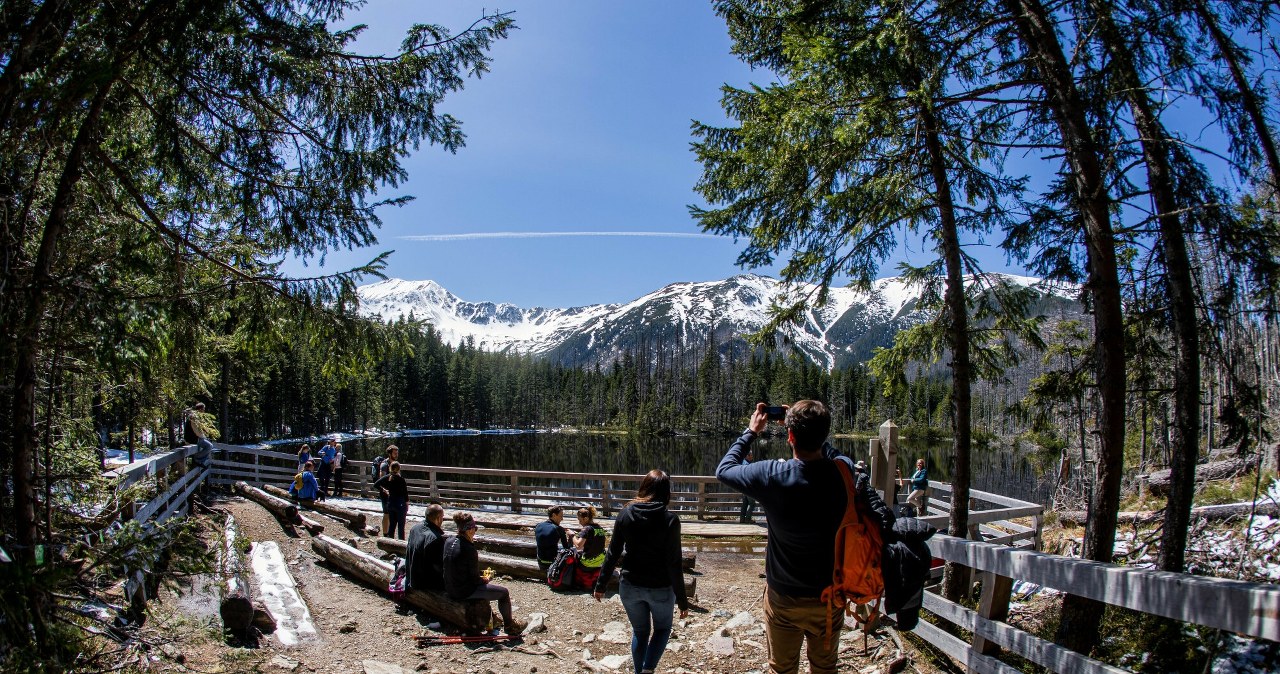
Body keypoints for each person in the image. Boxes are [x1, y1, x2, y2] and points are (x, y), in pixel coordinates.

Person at [716, 401, 894, 674]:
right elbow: (836, 456)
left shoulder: (772, 475)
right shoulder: (843, 472)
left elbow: (725, 469)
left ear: (790, 436)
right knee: (825, 668)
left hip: (783, 596)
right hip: (829, 596)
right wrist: (810, 431)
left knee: (782, 669)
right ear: (824, 435)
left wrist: (751, 432)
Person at [592, 470, 690, 674]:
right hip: (660, 587)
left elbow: (613, 553)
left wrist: (601, 585)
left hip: (630, 585)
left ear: (644, 487)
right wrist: (682, 600)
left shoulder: (626, 513)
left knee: (640, 632)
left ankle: (640, 672)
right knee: (662, 629)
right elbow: (674, 563)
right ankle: (648, 670)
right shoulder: (670, 520)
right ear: (666, 492)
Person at [444, 512, 527, 635]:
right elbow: (475, 580)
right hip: (462, 591)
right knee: (504, 593)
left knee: (487, 588)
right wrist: (484, 580)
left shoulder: (449, 541)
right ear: (469, 530)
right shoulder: (469, 549)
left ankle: (493, 619)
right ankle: (510, 626)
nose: (475, 531)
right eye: (475, 528)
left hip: (449, 587)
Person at [405, 503, 447, 591]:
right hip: (423, 583)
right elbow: (438, 566)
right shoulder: (435, 538)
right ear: (438, 518)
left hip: (411, 575)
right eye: (442, 517)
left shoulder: (415, 528)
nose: (443, 520)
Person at [573, 506, 608, 590]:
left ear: (585, 518)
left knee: (571, 553)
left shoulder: (587, 528)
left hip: (587, 564)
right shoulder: (599, 528)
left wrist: (572, 536)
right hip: (600, 562)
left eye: (580, 520)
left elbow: (578, 546)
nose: (579, 522)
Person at [374, 460, 409, 539]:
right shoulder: (401, 479)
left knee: (392, 526)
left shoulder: (388, 477)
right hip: (400, 504)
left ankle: (390, 542)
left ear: (390, 468)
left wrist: (384, 490)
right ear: (399, 469)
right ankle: (401, 542)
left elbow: (376, 484)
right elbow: (405, 493)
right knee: (401, 526)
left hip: (391, 503)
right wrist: (407, 504)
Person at [534, 505, 569, 572]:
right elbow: (566, 548)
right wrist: (571, 537)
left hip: (540, 561)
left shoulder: (538, 525)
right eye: (561, 516)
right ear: (554, 515)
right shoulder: (559, 529)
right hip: (552, 563)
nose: (562, 519)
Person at [374, 445, 400, 534]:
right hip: (385, 493)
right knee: (386, 513)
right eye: (395, 453)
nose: (396, 455)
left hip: (394, 493)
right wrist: (385, 490)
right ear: (390, 454)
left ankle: (390, 533)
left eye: (397, 453)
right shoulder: (384, 465)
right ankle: (385, 534)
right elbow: (381, 480)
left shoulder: (395, 463)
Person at [739, 449, 757, 523]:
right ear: (747, 456)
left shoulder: (742, 463)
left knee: (745, 503)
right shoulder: (747, 465)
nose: (752, 457)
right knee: (752, 504)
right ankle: (748, 519)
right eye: (751, 455)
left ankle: (742, 519)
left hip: (743, 486)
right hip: (748, 487)